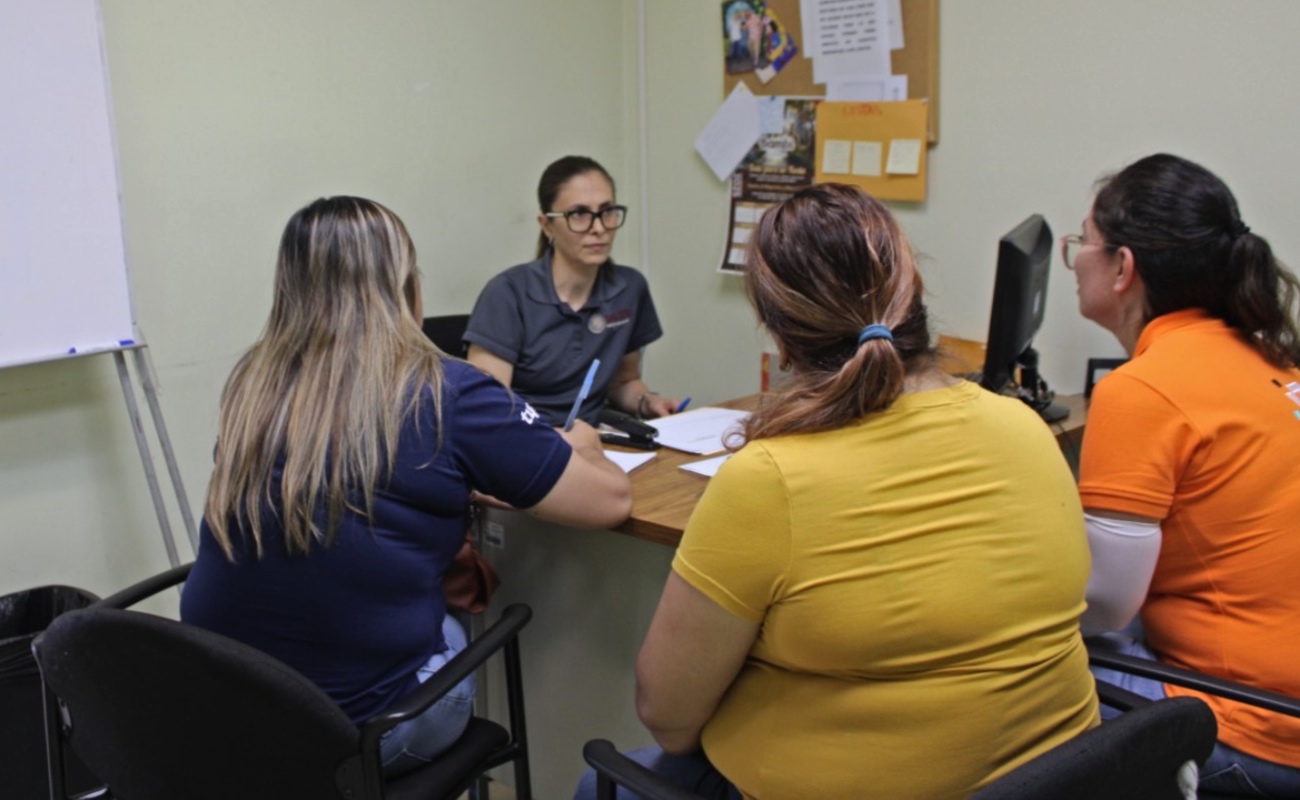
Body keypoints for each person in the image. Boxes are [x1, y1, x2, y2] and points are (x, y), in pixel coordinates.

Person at [576, 184, 1099, 800]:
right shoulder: (1025, 428)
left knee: (599, 782)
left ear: (783, 341)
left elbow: (667, 716)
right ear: (915, 298)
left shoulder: (769, 480)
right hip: (1061, 777)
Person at [180, 196, 632, 777]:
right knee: (458, 601)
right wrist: (586, 447)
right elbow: (610, 502)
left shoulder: (253, 384)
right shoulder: (447, 391)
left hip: (218, 706)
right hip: (358, 735)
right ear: (406, 288)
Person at [1068, 153, 1300, 797]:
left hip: (1253, 727)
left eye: (1082, 241)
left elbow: (1104, 604)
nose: (1076, 259)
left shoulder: (1144, 389)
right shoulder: (1271, 358)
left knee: (1017, 662)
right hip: (1284, 692)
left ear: (1123, 268)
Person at [464, 156, 680, 426]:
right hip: (524, 446)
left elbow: (624, 382)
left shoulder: (630, 288)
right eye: (579, 214)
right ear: (547, 225)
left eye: (607, 211)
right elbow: (489, 411)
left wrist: (647, 402)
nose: (599, 228)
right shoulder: (507, 294)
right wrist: (555, 445)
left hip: (595, 441)